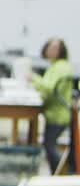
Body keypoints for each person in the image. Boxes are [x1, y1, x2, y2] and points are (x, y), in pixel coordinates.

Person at [34, 38, 73, 174]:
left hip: (58, 114)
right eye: (50, 47)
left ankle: (60, 173)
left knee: (49, 145)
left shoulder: (61, 67)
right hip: (54, 112)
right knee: (48, 144)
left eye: (56, 48)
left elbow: (49, 88)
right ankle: (58, 173)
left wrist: (32, 78)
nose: (52, 51)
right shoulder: (56, 65)